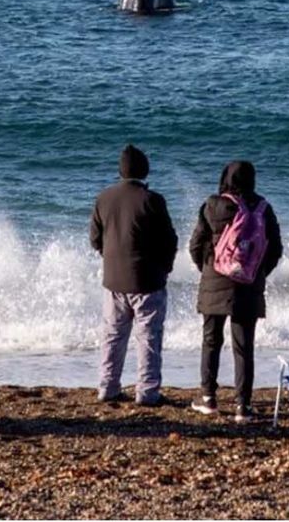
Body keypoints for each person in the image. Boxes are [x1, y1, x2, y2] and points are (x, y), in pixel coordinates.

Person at [188, 161, 283, 423]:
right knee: (244, 347)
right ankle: (243, 406)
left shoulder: (212, 205)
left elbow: (196, 244)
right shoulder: (263, 208)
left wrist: (207, 270)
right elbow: (275, 249)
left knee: (211, 340)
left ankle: (208, 398)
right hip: (248, 286)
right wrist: (256, 274)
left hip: (214, 282)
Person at [89, 144, 178, 406]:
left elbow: (95, 239)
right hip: (148, 280)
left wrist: (111, 258)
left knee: (113, 335)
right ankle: (147, 392)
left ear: (120, 171)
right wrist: (166, 266)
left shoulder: (104, 198)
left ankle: (107, 386)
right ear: (145, 169)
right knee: (148, 337)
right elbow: (169, 240)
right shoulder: (152, 200)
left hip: (114, 279)